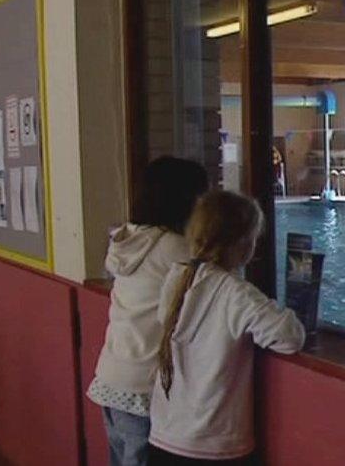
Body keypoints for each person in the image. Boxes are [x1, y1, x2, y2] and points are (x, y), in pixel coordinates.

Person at [149, 190, 305, 464]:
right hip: (215, 446)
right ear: (244, 244)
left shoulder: (176, 278)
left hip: (164, 436)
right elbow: (290, 337)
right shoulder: (237, 295)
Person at [87, 157, 209, 466]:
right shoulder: (176, 249)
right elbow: (211, 294)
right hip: (143, 387)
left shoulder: (127, 238)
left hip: (111, 377)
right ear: (185, 200)